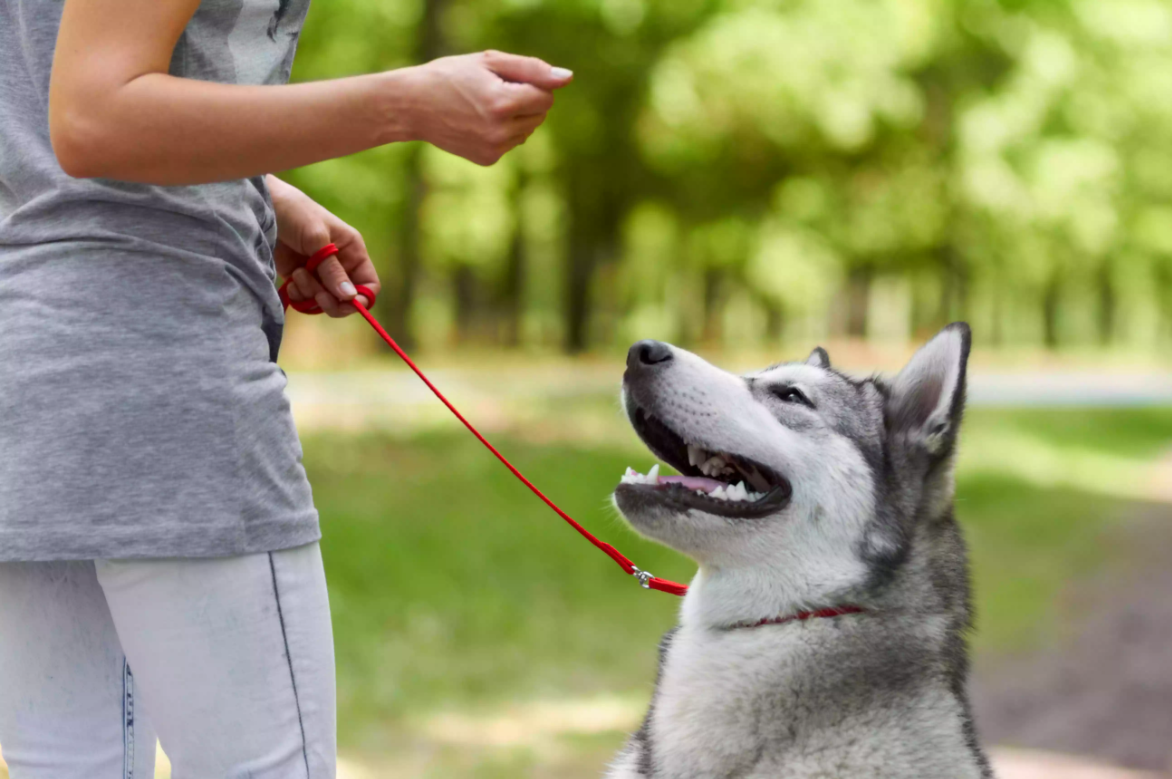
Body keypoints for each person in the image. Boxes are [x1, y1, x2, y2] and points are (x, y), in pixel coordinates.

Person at [0, 0, 572, 773]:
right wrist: (407, 103)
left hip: (33, 377)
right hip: (165, 372)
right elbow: (91, 114)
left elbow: (43, 105)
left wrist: (259, 197)